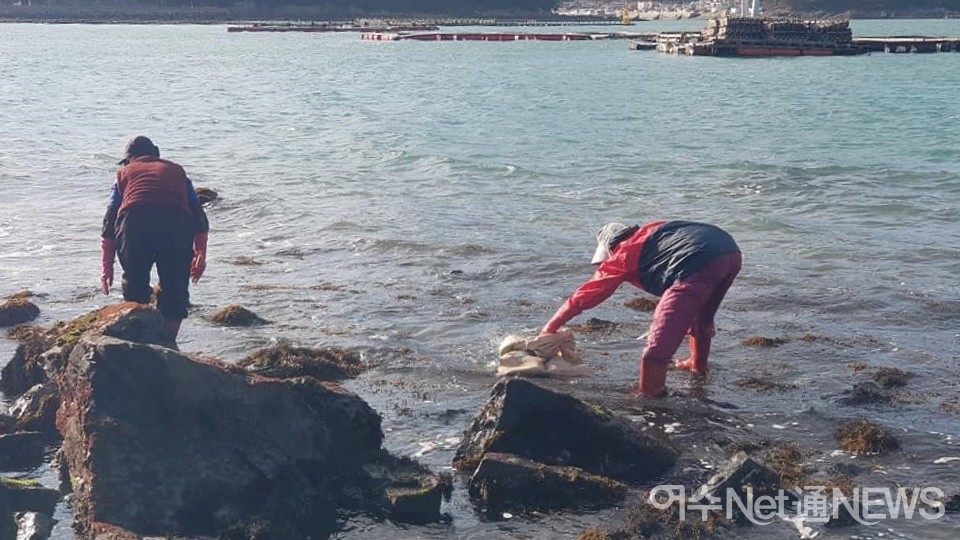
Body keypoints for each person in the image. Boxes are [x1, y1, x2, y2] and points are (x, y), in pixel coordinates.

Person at [541, 220, 741, 397]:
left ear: (610, 249)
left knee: (660, 337)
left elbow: (585, 295)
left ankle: (649, 392)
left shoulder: (624, 252)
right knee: (702, 316)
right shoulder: (652, 232)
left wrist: (550, 328)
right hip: (729, 252)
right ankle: (697, 365)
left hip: (696, 260)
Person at [100, 136, 209, 340]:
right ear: (156, 153)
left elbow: (109, 223)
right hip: (176, 223)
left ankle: (139, 341)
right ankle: (168, 343)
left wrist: (107, 268)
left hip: (135, 222)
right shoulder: (178, 173)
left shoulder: (123, 175)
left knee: (135, 283)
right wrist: (200, 254)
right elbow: (199, 216)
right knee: (175, 288)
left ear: (129, 159)